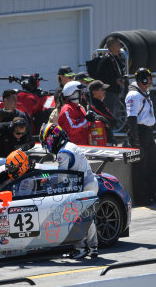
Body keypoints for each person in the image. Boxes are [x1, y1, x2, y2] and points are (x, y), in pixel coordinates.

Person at [39, 123, 99, 259]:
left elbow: (61, 177)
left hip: (83, 187)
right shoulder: (71, 146)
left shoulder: (62, 153)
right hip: (91, 183)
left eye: (47, 142)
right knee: (88, 218)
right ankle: (93, 247)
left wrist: (47, 180)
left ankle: (80, 249)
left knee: (75, 218)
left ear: (52, 139)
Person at [125, 68, 156, 205]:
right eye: (149, 78)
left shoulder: (144, 92)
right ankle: (141, 198)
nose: (151, 80)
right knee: (140, 168)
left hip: (148, 132)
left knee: (152, 165)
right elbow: (132, 118)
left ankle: (152, 194)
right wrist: (135, 140)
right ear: (143, 79)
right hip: (139, 133)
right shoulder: (133, 95)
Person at [58, 81, 94, 145]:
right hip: (73, 148)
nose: (82, 96)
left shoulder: (80, 108)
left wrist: (94, 120)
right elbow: (72, 128)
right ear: (74, 94)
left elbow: (84, 125)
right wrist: (86, 119)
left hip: (84, 146)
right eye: (80, 93)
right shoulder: (66, 109)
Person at [96, 36, 125, 115]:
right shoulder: (105, 60)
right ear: (112, 47)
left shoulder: (116, 58)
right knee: (109, 113)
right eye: (118, 45)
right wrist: (114, 81)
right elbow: (100, 77)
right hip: (109, 92)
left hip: (116, 91)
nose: (120, 47)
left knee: (115, 113)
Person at [88, 80, 116, 144]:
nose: (104, 91)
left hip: (105, 138)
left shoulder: (100, 103)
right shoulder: (95, 105)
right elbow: (113, 121)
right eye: (102, 89)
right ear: (94, 92)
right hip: (102, 141)